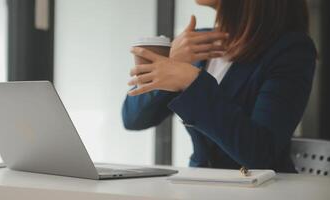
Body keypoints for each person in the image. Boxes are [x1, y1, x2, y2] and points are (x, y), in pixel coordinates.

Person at [122, 0, 316, 173]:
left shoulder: (291, 49)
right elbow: (133, 119)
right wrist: (171, 63)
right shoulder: (195, 43)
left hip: (261, 190)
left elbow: (261, 154)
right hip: (199, 186)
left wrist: (192, 82)